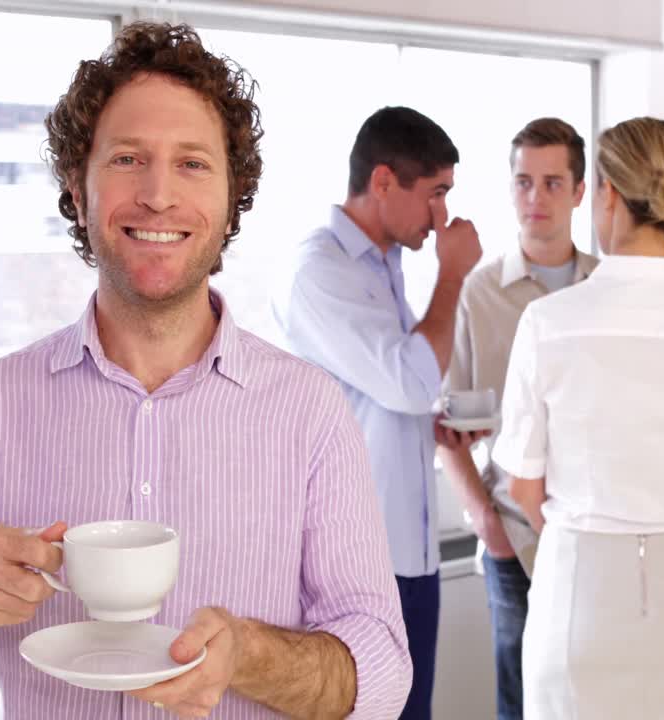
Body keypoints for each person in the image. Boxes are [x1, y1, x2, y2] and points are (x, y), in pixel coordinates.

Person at [0, 22, 410, 720]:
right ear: (77, 192)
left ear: (232, 198)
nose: (157, 195)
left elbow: (383, 675)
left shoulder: (309, 410)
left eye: (193, 164)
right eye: (126, 159)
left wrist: (249, 654)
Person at [492, 116, 664, 719]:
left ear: (607, 193)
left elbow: (523, 486)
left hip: (578, 591)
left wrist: (592, 530)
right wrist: (662, 525)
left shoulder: (549, 324)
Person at [272, 106, 483, 720]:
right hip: (360, 568)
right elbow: (410, 382)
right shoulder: (320, 271)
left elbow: (395, 396)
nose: (442, 216)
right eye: (435, 193)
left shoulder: (384, 267)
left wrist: (434, 423)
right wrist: (452, 276)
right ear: (384, 181)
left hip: (410, 558)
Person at [434, 117, 598, 720]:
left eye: (553, 183)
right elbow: (446, 430)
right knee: (520, 704)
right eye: (524, 182)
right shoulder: (478, 293)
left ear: (581, 191)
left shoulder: (607, 288)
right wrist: (488, 527)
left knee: (592, 699)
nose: (537, 198)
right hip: (515, 543)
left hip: (594, 535)